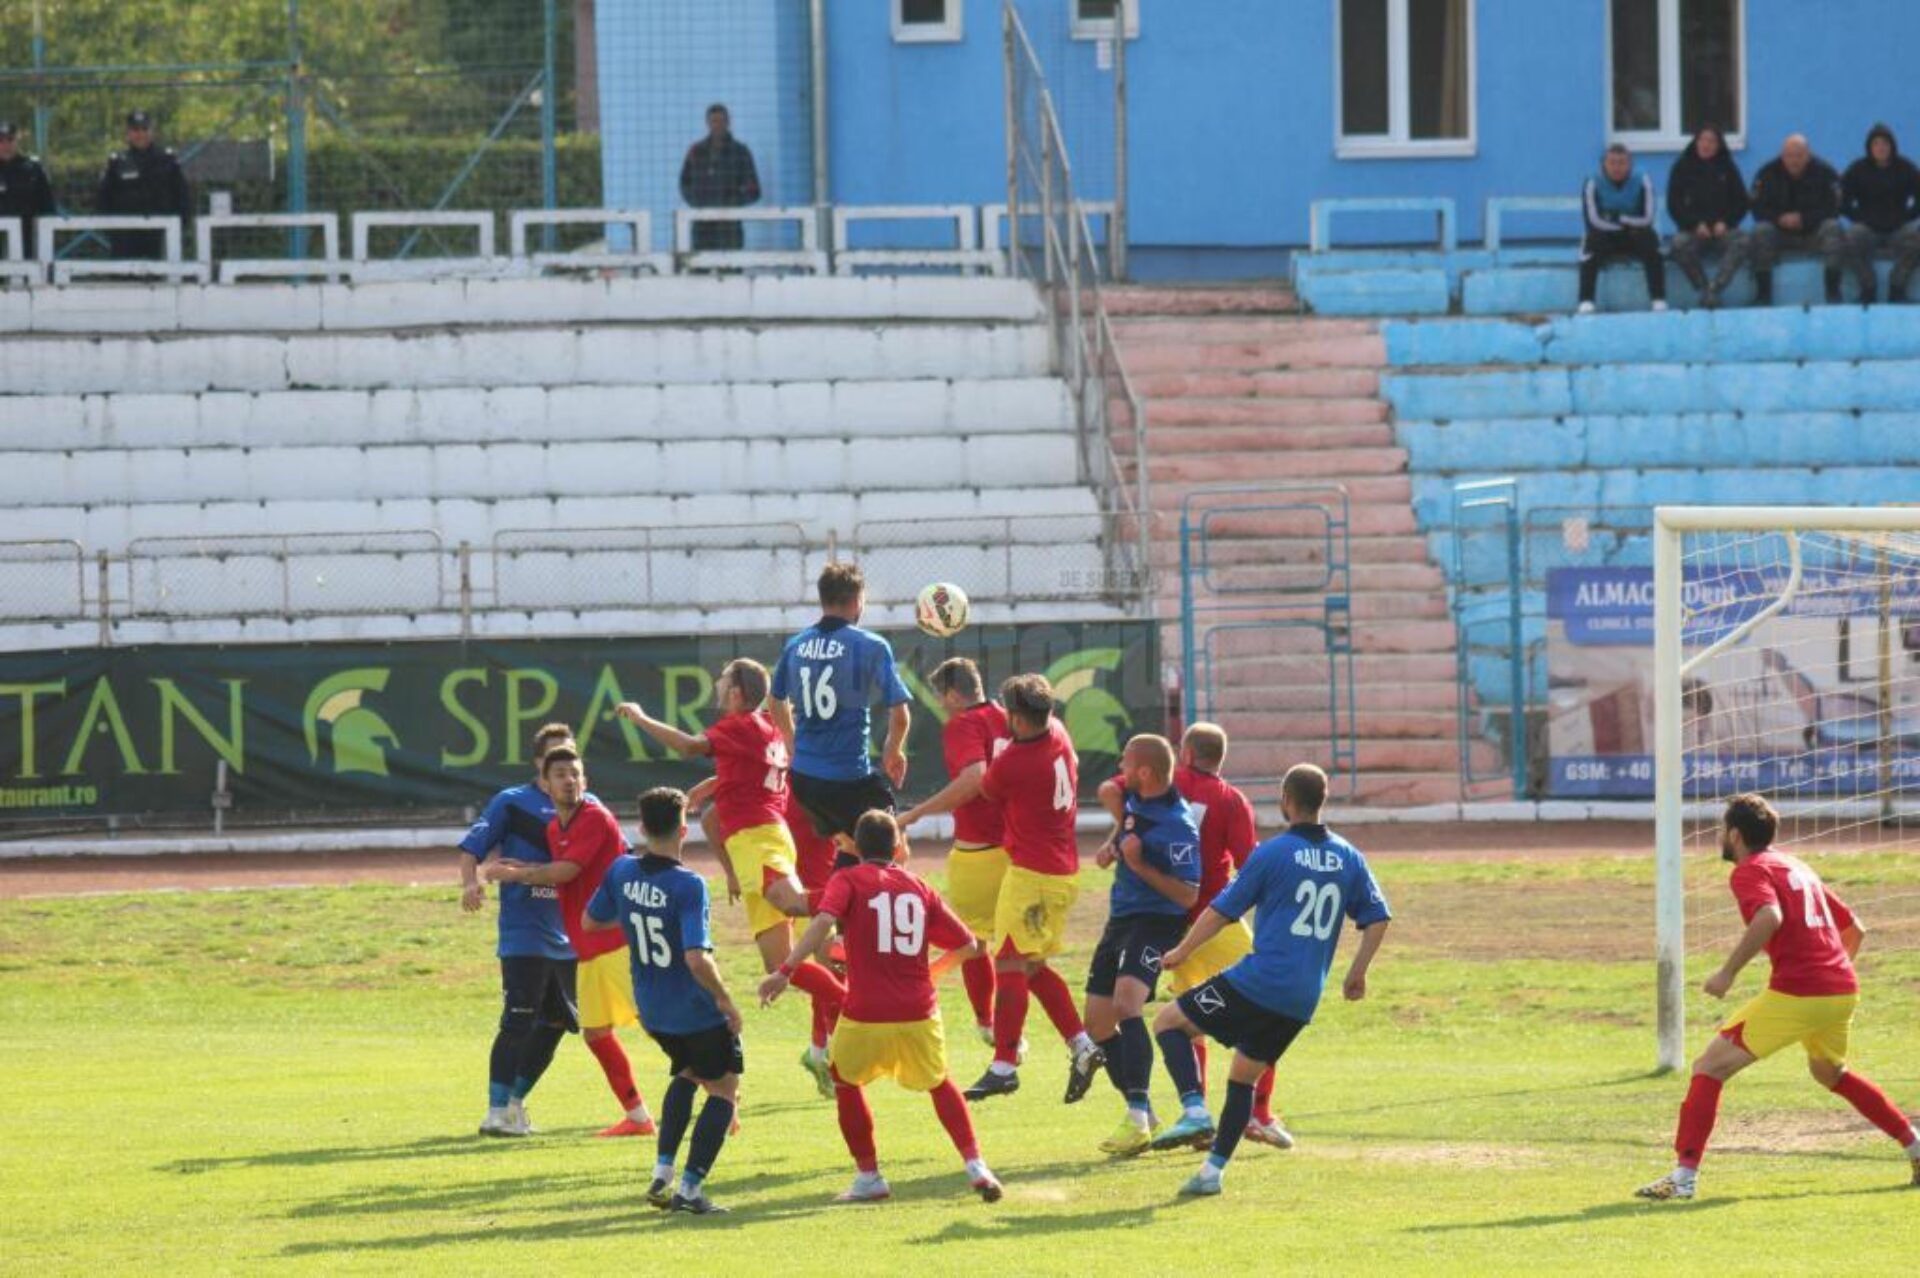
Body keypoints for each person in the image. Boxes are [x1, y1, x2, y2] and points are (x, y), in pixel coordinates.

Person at [1636, 794, 1920, 1201]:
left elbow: (1769, 917)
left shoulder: (1750, 870)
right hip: (1842, 989)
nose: (1720, 836)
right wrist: (1830, 974)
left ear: (1735, 835)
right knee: (1831, 1074)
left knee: (1709, 1067)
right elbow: (1855, 929)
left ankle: (1683, 1177)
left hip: (1800, 991)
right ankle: (1915, 1146)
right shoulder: (1796, 866)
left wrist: (1727, 973)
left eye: (1722, 830)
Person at [1150, 763, 1391, 1197]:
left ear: (1286, 801)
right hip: (1302, 999)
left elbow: (1223, 912)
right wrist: (1358, 972)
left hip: (1258, 982)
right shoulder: (1349, 856)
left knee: (1168, 1023)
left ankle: (1194, 1110)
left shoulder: (1273, 853)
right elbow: (1378, 917)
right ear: (1322, 801)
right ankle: (1211, 1173)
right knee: (1243, 1077)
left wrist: (1182, 951)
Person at [615, 658, 848, 1100]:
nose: (717, 684)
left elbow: (688, 746)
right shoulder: (762, 726)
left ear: (737, 692)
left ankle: (854, 895)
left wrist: (641, 717)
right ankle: (846, 998)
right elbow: (752, 769)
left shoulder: (742, 725)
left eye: (723, 679)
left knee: (793, 902)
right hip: (754, 842)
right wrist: (715, 784)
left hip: (760, 838)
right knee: (781, 967)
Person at [761, 811, 1006, 1204]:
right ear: (896, 847)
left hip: (866, 1011)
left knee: (844, 1080)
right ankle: (976, 1165)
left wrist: (785, 970)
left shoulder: (847, 879)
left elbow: (823, 922)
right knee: (939, 1082)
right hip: (919, 1010)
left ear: (856, 847)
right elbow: (969, 945)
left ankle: (869, 1176)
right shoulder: (919, 886)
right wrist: (931, 972)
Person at [458, 723, 651, 1139]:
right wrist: (472, 882)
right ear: (540, 770)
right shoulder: (515, 803)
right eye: (556, 764)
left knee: (566, 1024)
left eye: (572, 764)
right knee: (524, 1020)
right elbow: (474, 847)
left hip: (579, 942)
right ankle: (498, 1110)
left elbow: (592, 866)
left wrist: (516, 873)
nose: (567, 775)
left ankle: (514, 1105)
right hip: (527, 933)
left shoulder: (592, 812)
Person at [584, 788, 745, 1216]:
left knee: (688, 1073)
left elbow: (590, 921)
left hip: (652, 1008)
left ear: (641, 827)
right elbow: (696, 958)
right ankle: (689, 1190)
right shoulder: (688, 884)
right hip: (692, 1008)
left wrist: (635, 914)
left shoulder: (621, 870)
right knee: (725, 1090)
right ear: (683, 830)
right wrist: (726, 1001)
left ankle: (662, 1172)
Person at [961, 673, 1105, 1103]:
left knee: (1008, 963)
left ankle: (1004, 1065)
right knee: (1031, 967)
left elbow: (987, 789)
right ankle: (1082, 1046)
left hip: (1032, 877)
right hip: (1061, 871)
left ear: (1019, 720)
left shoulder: (1015, 762)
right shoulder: (1058, 732)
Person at [1154, 723, 1289, 1148]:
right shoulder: (1231, 799)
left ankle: (1197, 1116)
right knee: (1267, 1015)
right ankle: (1258, 1114)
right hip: (1213, 922)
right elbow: (1250, 865)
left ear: (1186, 753)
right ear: (1220, 757)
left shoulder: (1167, 784)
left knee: (1185, 1023)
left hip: (1165, 922)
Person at [1077, 734, 1201, 1156]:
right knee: (1097, 1024)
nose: (1120, 768)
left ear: (1144, 772)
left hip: (1156, 922)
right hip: (1121, 921)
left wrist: (1138, 863)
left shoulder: (1178, 824)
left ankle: (1135, 1118)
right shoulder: (1136, 798)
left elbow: (1188, 895)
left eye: (1126, 763)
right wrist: (1114, 844)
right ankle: (1146, 1115)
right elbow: (1115, 802)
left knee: (1127, 1004)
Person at [896, 657, 1013, 1047]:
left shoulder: (964, 724)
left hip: (979, 852)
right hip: (1019, 849)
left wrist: (914, 814)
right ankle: (1059, 1036)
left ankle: (988, 1025)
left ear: (951, 694)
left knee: (972, 943)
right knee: (1018, 950)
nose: (941, 705)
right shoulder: (1008, 717)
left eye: (940, 697)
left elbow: (973, 779)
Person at [771, 561, 912, 863]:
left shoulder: (795, 645)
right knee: (893, 848)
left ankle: (838, 893)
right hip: (847, 778)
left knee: (853, 849)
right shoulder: (871, 645)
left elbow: (775, 701)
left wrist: (792, 742)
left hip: (805, 781)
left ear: (823, 599)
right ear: (858, 600)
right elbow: (900, 714)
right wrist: (893, 750)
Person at [1747, 134, 1846, 305]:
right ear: (1782, 155)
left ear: (1808, 155)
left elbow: (1834, 208)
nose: (1794, 161)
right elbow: (1757, 208)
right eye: (1789, 156)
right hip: (1780, 235)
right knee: (1761, 230)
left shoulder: (1826, 173)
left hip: (1814, 234)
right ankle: (1763, 295)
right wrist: (1779, 219)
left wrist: (1805, 219)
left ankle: (1833, 293)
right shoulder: (1766, 174)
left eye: (1799, 156)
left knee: (1833, 228)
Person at [1666, 124, 1750, 308]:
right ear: (1696, 142)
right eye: (1703, 140)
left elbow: (1742, 202)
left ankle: (1716, 287)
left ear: (1719, 145)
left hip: (1723, 232)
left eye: (1712, 141)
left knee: (1743, 241)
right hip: (1693, 232)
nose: (1706, 145)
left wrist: (1725, 222)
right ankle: (1704, 288)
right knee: (1678, 244)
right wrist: (1694, 224)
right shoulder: (1681, 167)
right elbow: (1674, 205)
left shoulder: (1728, 168)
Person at [1578, 143, 1667, 315]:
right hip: (1605, 233)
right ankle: (1586, 300)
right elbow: (1593, 219)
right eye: (1612, 163)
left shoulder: (1642, 179)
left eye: (1622, 163)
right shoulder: (1592, 181)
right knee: (1591, 244)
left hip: (1635, 232)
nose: (1617, 167)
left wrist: (1620, 219)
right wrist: (1620, 226)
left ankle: (1658, 299)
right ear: (1604, 164)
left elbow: (1648, 217)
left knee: (1651, 242)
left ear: (1630, 165)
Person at [94, 109, 191, 261]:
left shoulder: (166, 160)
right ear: (128, 133)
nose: (141, 135)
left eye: (144, 129)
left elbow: (182, 195)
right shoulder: (117, 162)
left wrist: (180, 225)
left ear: (152, 132)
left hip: (160, 235)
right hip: (124, 236)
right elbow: (103, 199)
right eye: (135, 130)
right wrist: (110, 229)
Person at [1839, 123, 1920, 305]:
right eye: (1876, 143)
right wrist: (1859, 218)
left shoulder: (1906, 168)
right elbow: (1842, 201)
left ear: (1892, 146)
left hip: (1898, 229)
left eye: (1885, 143)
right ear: (1869, 147)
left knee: (1917, 241)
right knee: (1849, 239)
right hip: (1867, 229)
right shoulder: (1857, 169)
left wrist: (1907, 217)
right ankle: (1868, 288)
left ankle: (1897, 288)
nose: (1880, 147)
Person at [679, 103, 761, 252]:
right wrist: (699, 203)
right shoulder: (696, 151)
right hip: (702, 227)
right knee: (700, 265)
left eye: (722, 121)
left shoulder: (740, 152)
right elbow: (684, 183)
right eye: (714, 121)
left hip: (730, 227)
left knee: (730, 264)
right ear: (707, 123)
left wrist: (731, 203)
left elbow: (754, 191)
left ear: (728, 122)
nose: (718, 125)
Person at [0, 122, 56, 259]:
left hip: (27, 236)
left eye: (10, 140)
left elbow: (47, 205)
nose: (6, 145)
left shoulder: (32, 169)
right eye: (1, 141)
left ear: (17, 140)